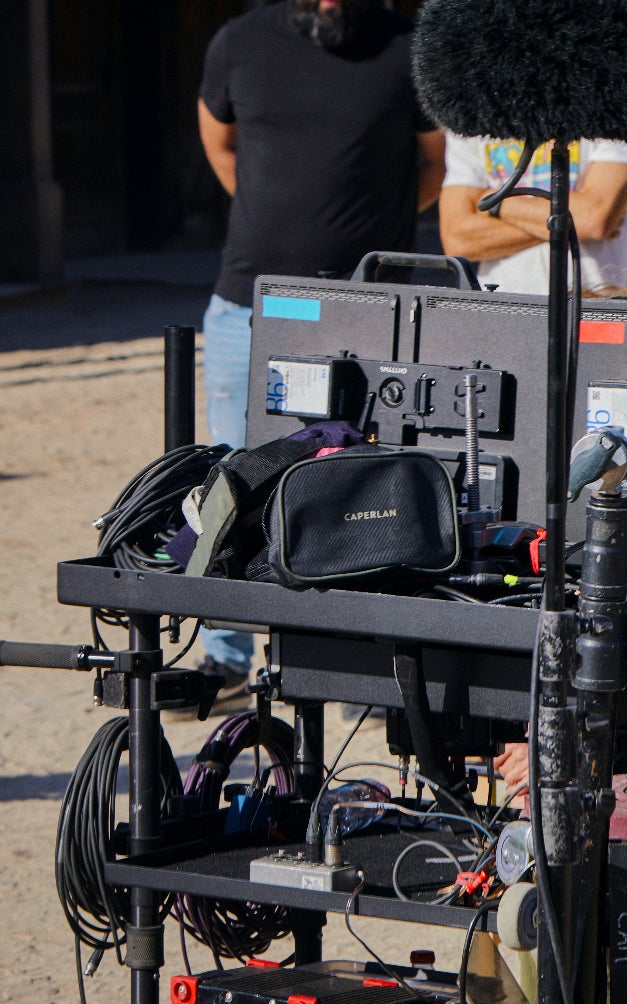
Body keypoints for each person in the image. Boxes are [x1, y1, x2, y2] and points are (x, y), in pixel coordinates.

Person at [195, 0, 444, 693]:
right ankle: (227, 652)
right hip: (247, 302)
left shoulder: (407, 47)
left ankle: (341, 654)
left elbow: (433, 163)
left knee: (359, 479)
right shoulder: (238, 41)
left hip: (368, 314)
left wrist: (368, 224)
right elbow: (220, 142)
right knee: (233, 473)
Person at [440, 135, 627, 295]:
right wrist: (571, 220)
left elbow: (594, 219)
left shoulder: (613, 101)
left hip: (595, 303)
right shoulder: (472, 109)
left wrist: (497, 203)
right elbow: (457, 239)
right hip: (501, 306)